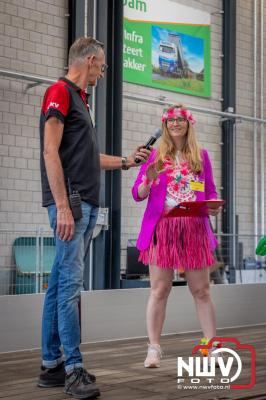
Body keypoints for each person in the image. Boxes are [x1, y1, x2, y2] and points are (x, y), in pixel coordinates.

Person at [38, 37, 150, 399]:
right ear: (89, 60)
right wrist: (64, 207)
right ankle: (73, 370)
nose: (102, 73)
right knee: (70, 289)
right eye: (101, 66)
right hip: (71, 205)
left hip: (80, 204)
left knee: (58, 286)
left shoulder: (80, 102)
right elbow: (49, 151)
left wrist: (126, 161)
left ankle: (51, 365)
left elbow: (88, 158)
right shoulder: (60, 91)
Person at [132, 104, 222, 368]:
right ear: (164, 125)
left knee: (202, 290)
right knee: (160, 289)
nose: (175, 124)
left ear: (188, 123)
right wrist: (147, 181)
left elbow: (211, 193)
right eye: (170, 120)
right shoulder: (155, 156)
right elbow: (137, 194)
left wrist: (213, 206)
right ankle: (154, 349)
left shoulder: (201, 156)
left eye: (180, 119)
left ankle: (211, 345)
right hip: (163, 229)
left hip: (194, 228)